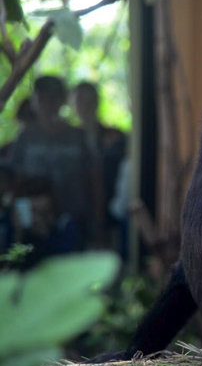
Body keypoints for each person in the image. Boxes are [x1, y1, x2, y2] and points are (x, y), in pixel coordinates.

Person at [11, 76, 100, 249]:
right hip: (35, 227)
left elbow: (95, 180)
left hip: (75, 223)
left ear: (62, 101)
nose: (47, 105)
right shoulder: (25, 139)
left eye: (53, 98)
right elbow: (17, 182)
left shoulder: (78, 138)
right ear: (34, 102)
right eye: (41, 99)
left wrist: (98, 224)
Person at [73, 82, 126, 245]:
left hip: (111, 215)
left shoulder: (115, 137)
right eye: (79, 100)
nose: (84, 106)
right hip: (79, 215)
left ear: (96, 102)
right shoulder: (69, 140)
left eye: (89, 100)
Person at [12, 176, 77, 269]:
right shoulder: (21, 224)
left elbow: (68, 257)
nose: (34, 202)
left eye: (38, 196)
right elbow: (11, 264)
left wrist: (45, 235)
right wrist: (18, 236)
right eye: (30, 197)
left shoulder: (64, 223)